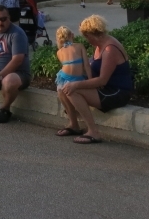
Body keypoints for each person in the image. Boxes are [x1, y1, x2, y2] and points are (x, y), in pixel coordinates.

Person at [60, 15, 133, 144]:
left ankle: (93, 132)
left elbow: (102, 81)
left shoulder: (110, 49)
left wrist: (77, 84)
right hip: (104, 88)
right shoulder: (100, 44)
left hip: (116, 92)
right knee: (63, 87)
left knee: (73, 90)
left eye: (86, 36)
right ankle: (73, 125)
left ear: (92, 34)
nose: (86, 40)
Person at [54, 26, 90, 119]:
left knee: (63, 90)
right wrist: (91, 80)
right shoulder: (79, 46)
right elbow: (86, 65)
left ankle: (70, 111)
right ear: (72, 35)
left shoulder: (59, 52)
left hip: (64, 78)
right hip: (77, 79)